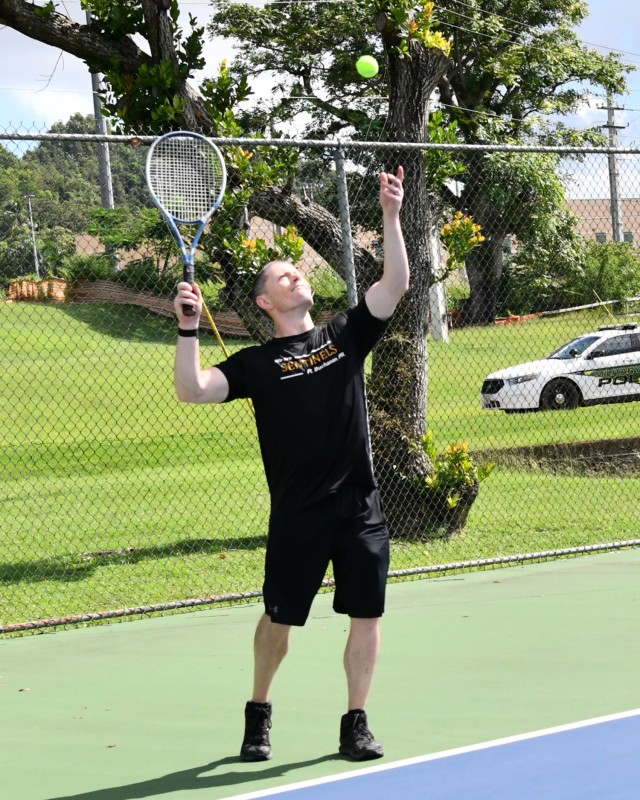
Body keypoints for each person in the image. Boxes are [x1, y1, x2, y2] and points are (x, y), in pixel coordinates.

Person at [173, 167, 409, 762]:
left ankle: (355, 722)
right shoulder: (255, 363)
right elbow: (193, 390)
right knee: (279, 622)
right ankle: (259, 713)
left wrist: (390, 214)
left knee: (366, 613)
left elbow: (396, 284)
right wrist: (188, 328)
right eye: (283, 274)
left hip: (359, 503)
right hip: (299, 511)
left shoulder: (344, 334)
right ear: (264, 301)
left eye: (297, 269)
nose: (295, 273)